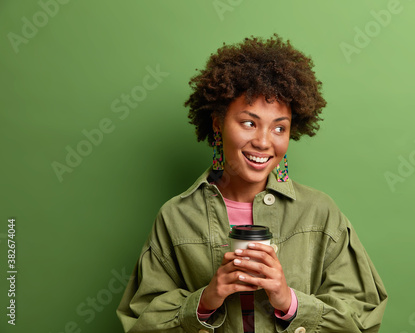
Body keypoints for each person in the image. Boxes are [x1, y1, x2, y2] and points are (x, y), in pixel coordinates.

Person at [117, 34, 388, 333]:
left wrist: (289, 302)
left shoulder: (320, 213)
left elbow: (363, 318)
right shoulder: (176, 216)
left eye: (279, 128)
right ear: (218, 123)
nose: (262, 142)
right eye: (249, 122)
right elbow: (140, 322)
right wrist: (205, 301)